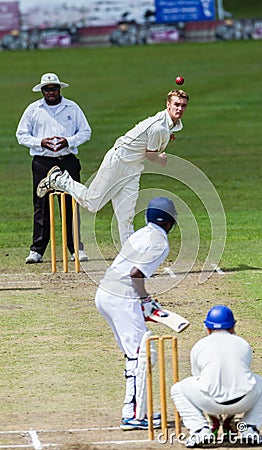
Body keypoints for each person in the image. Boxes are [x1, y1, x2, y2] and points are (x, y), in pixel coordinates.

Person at [36, 89, 189, 245]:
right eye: (176, 104)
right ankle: (60, 179)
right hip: (118, 162)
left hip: (133, 168)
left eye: (183, 106)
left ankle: (130, 257)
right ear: (168, 104)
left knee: (126, 217)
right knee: (92, 203)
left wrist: (165, 137)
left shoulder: (169, 125)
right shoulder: (159, 128)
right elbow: (151, 155)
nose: (179, 109)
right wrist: (161, 159)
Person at [94, 197, 177, 430]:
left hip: (105, 293)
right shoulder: (160, 243)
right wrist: (145, 299)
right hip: (121, 297)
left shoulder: (140, 234)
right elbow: (135, 274)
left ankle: (138, 411)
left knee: (135, 354)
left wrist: (143, 302)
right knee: (142, 353)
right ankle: (133, 415)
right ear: (170, 221)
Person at [171, 305, 262, 448]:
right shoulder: (243, 344)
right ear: (232, 327)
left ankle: (199, 430)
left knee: (178, 389)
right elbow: (242, 380)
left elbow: (200, 380)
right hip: (243, 401)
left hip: (209, 402)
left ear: (207, 328)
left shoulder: (199, 345)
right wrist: (230, 414)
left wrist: (213, 414)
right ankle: (250, 429)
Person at [16, 73, 92, 264]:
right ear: (42, 91)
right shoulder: (34, 109)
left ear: (59, 89)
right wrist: (40, 142)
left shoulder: (72, 107)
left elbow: (85, 132)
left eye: (54, 88)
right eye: (47, 89)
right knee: (41, 205)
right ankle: (37, 250)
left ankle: (75, 248)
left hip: (67, 160)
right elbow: (21, 135)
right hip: (42, 161)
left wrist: (69, 141)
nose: (51, 92)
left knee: (71, 203)